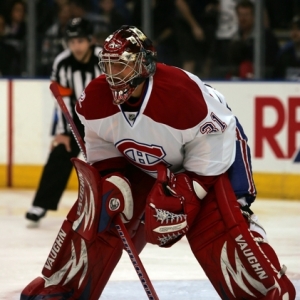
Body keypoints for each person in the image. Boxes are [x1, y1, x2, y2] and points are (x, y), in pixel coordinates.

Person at [21, 25, 296, 299]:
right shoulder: (95, 98)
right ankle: (63, 287)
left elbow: (216, 136)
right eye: (108, 66)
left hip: (213, 153)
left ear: (143, 66)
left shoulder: (181, 94)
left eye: (122, 66)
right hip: (149, 162)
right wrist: (114, 178)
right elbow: (102, 141)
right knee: (102, 210)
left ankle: (265, 288)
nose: (113, 76)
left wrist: (189, 193)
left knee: (219, 224)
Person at [25, 17, 102, 227]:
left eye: (80, 41)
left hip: (105, 117)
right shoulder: (62, 63)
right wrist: (62, 132)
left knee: (111, 158)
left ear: (90, 40)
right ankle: (41, 204)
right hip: (76, 116)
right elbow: (62, 101)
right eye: (72, 41)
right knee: (60, 151)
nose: (76, 46)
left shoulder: (104, 59)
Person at [226, 0, 279, 79]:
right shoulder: (234, 37)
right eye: (240, 15)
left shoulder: (266, 37)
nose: (242, 19)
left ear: (254, 16)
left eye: (246, 15)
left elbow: (271, 65)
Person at [273, 15, 300, 80]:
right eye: (292, 29)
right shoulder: (284, 54)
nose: (294, 32)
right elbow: (276, 78)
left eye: (298, 29)